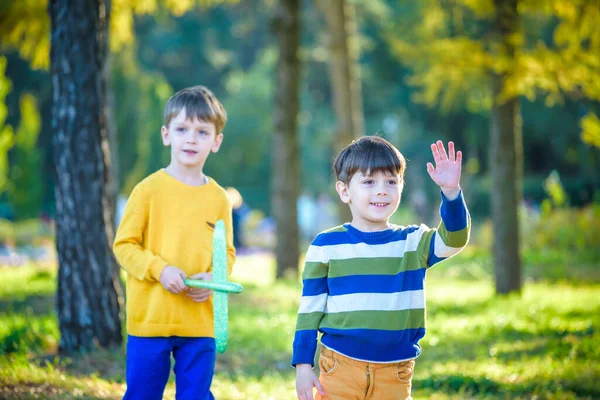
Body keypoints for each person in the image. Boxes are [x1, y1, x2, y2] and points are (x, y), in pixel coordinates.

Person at [293, 136, 470, 400]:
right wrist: (303, 366)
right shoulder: (326, 245)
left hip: (394, 372)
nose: (381, 190)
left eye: (391, 181)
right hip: (339, 368)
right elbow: (310, 310)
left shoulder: (413, 241)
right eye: (368, 182)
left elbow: (454, 240)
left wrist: (452, 193)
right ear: (344, 191)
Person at [113, 85, 235, 400]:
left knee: (196, 395)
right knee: (142, 394)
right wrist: (160, 269)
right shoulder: (147, 190)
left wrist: (214, 278)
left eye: (202, 132)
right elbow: (124, 246)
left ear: (216, 141)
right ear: (166, 134)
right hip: (150, 321)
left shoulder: (219, 198)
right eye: (182, 129)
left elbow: (227, 253)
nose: (191, 138)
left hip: (199, 322)